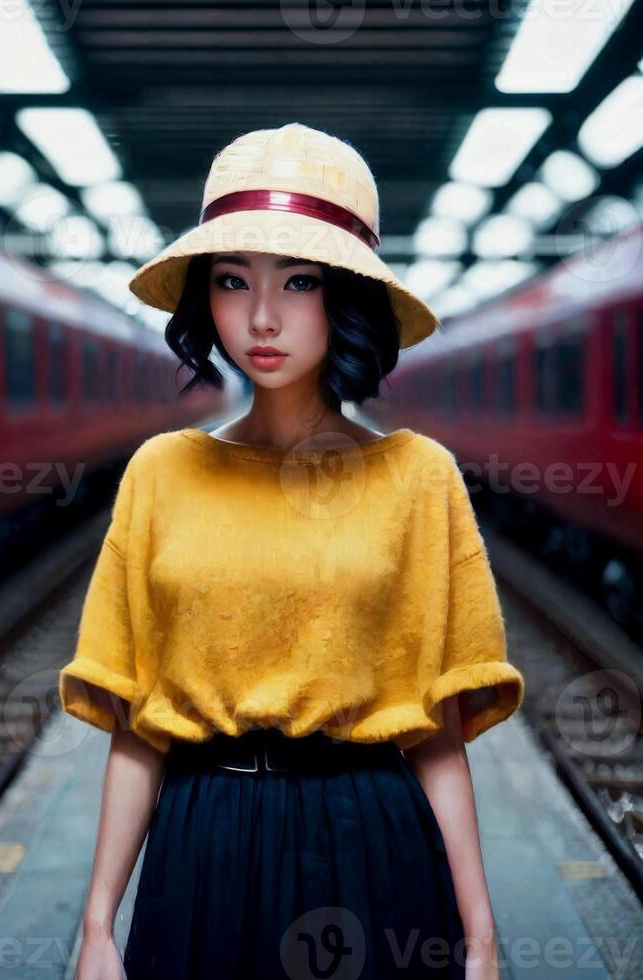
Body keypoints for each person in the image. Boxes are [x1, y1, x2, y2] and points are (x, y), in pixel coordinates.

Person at [58, 122, 525, 980]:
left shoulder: (419, 477)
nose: (261, 317)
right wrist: (96, 929)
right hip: (199, 841)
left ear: (344, 295)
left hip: (370, 836)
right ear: (204, 297)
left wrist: (483, 939)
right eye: (232, 282)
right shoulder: (162, 472)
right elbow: (135, 726)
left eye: (298, 282)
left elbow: (437, 732)